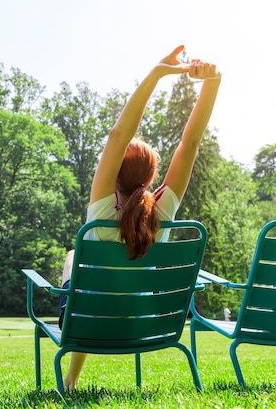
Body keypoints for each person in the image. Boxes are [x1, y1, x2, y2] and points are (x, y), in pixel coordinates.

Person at [59, 44, 222, 392]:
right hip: (145, 322)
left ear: (112, 173)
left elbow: (118, 135)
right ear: (150, 176)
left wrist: (156, 73)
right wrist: (212, 81)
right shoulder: (161, 211)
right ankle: (74, 373)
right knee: (85, 265)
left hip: (86, 324)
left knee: (74, 257)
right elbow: (190, 144)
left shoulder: (100, 213)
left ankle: (72, 376)